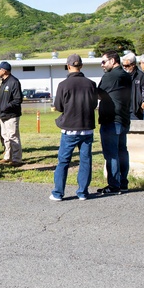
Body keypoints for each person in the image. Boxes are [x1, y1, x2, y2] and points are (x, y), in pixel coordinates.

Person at [50, 54, 97, 201]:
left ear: (68, 66)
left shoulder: (63, 85)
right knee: (85, 160)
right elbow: (94, 104)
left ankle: (58, 193)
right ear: (81, 66)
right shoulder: (91, 84)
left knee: (63, 161)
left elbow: (58, 106)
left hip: (70, 127)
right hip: (87, 126)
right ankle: (82, 192)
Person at [97, 50, 134, 195]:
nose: (102, 65)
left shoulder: (110, 76)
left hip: (111, 119)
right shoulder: (126, 75)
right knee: (122, 152)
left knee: (111, 153)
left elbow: (98, 93)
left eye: (104, 62)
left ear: (113, 61)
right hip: (124, 118)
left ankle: (114, 185)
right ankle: (123, 182)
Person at [0, 61, 23, 166]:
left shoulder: (13, 82)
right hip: (2, 115)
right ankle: (7, 156)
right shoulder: (3, 82)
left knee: (13, 136)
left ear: (4, 70)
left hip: (11, 115)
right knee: (5, 137)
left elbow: (18, 99)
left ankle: (17, 159)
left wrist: (6, 107)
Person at [121, 53, 144, 121]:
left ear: (133, 64)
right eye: (123, 65)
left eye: (127, 65)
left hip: (135, 111)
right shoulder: (122, 76)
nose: (124, 67)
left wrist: (140, 107)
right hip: (124, 110)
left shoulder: (140, 76)